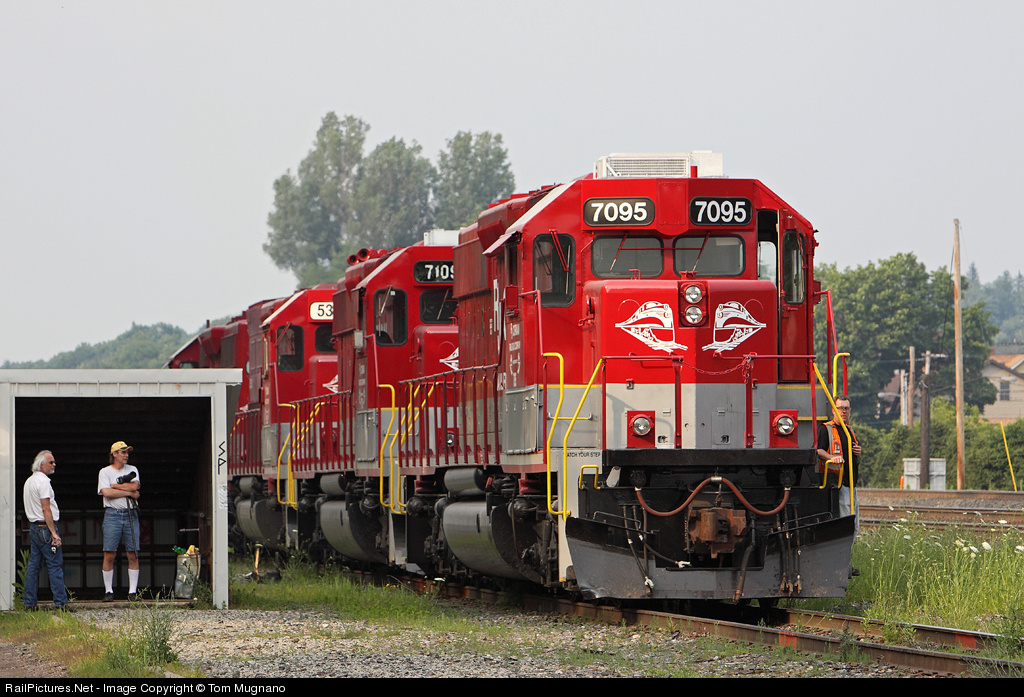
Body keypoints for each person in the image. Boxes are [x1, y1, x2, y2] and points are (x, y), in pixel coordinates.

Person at [23, 450, 70, 611]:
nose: (54, 464)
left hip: (34, 528)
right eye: (51, 462)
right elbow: (46, 508)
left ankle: (29, 603)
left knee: (33, 566)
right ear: (41, 465)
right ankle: (61, 603)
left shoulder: (29, 481)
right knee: (54, 565)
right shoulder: (43, 482)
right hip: (45, 528)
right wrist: (54, 533)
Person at [98, 440, 141, 601]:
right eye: (123, 452)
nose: (126, 455)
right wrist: (128, 492)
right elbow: (106, 493)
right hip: (112, 514)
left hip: (130, 514)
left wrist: (115, 486)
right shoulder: (105, 472)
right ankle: (108, 591)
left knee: (133, 553)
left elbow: (134, 487)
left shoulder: (132, 469)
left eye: (127, 452)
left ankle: (132, 592)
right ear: (114, 454)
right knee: (109, 553)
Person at [817, 395, 861, 525]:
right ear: (833, 410)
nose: (844, 411)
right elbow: (819, 451)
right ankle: (847, 538)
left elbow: (851, 453)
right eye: (840, 408)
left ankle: (852, 539)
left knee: (855, 520)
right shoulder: (826, 429)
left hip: (851, 482)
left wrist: (857, 452)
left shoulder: (849, 430)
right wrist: (832, 458)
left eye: (846, 408)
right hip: (837, 482)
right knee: (846, 518)